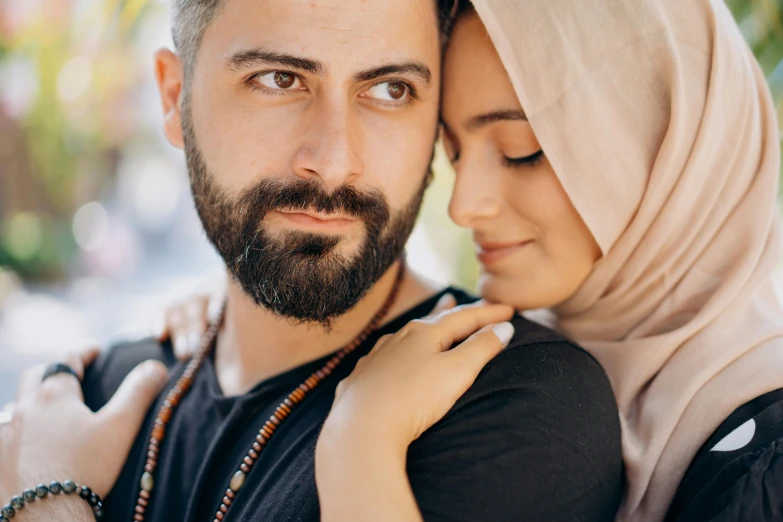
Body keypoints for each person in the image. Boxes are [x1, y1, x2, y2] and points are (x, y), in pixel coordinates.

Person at [0, 1, 623, 521]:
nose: (332, 158)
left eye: (389, 89)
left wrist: (47, 504)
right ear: (174, 99)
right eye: (279, 79)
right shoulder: (84, 400)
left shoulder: (516, 403)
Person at [166, 0, 783, 520]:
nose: (462, 206)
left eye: (521, 151)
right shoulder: (602, 363)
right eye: (455, 152)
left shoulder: (762, 458)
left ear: (675, 156)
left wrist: (360, 445)